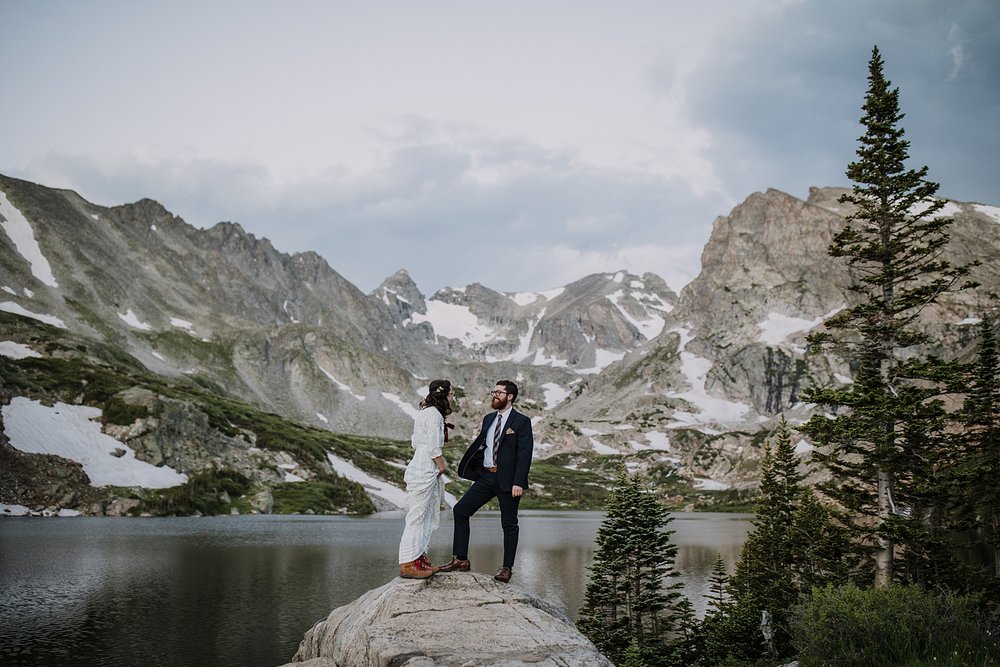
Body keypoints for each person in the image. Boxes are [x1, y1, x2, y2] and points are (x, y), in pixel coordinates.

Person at [439, 380, 534, 583]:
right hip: (486, 477)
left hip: (509, 481)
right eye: (494, 391)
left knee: (509, 524)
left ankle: (506, 568)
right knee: (461, 510)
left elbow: (525, 454)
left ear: (510, 396)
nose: (494, 395)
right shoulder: (489, 418)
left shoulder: (521, 421)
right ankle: (461, 559)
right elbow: (483, 446)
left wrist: (519, 482)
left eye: (499, 392)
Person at [397, 379, 452, 579]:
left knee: (425, 515)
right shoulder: (434, 415)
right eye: (451, 394)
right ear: (444, 395)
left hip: (420, 464)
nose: (452, 397)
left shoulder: (425, 413)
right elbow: (431, 445)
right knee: (417, 517)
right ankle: (407, 563)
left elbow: (415, 442)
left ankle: (419, 557)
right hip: (425, 467)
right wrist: (441, 464)